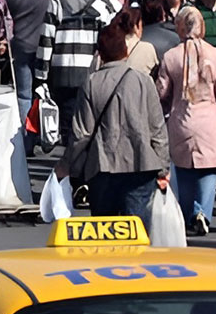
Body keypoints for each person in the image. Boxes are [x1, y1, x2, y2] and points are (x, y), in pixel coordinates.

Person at [55, 22, 170, 227]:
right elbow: (157, 129)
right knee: (137, 231)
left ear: (100, 54)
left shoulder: (92, 82)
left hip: (102, 166)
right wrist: (163, 168)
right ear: (126, 52)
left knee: (105, 230)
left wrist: (65, 166)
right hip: (140, 164)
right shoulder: (143, 81)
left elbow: (81, 134)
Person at [157, 7, 216, 235]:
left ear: (180, 26)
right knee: (209, 173)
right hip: (210, 123)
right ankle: (202, 211)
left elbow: (161, 91)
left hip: (181, 122)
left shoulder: (171, 56)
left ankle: (185, 216)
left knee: (184, 173)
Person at [34, 0, 121, 145]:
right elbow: (114, 44)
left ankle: (70, 169)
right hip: (96, 76)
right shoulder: (108, 4)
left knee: (68, 132)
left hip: (62, 74)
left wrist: (40, 77)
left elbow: (46, 38)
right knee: (94, 130)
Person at [1, 0, 50, 126]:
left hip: (20, 44)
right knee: (43, 89)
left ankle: (25, 135)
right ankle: (46, 130)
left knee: (23, 93)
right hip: (45, 43)